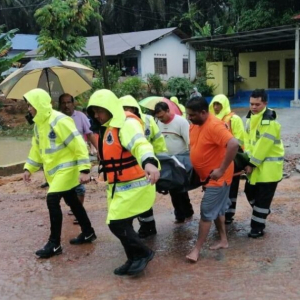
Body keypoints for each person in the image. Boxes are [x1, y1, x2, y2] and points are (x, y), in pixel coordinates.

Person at [87, 89, 160, 276]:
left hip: (135, 184)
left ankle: (143, 253)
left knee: (117, 224)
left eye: (99, 111)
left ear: (110, 108)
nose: (97, 115)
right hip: (118, 187)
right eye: (94, 112)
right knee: (122, 223)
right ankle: (132, 258)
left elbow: (140, 144)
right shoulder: (108, 126)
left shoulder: (127, 124)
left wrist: (150, 162)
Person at [23, 88, 96, 259]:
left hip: (67, 170)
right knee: (72, 200)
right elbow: (36, 149)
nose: (28, 109)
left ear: (38, 104)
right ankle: (88, 232)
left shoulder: (59, 120)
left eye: (30, 105)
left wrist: (85, 169)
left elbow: (78, 144)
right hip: (55, 173)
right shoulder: (39, 125)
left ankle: (54, 244)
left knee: (52, 199)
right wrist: (29, 168)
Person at [185, 96, 239, 262]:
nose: (189, 118)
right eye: (188, 114)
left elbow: (234, 144)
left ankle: (196, 250)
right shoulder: (195, 125)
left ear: (203, 112)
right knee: (217, 210)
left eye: (192, 115)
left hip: (218, 178)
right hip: (207, 177)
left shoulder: (215, 125)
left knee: (207, 211)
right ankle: (223, 240)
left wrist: (221, 169)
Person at [120, 95, 167, 238]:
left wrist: (160, 160)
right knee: (138, 197)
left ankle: (147, 228)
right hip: (134, 165)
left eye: (128, 108)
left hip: (146, 164)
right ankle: (146, 227)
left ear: (134, 108)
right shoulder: (121, 122)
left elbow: (158, 140)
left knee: (143, 197)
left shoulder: (147, 120)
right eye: (123, 109)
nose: (126, 111)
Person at [244, 89, 284, 238]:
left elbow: (263, 147)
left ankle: (257, 228)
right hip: (256, 166)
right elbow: (248, 142)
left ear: (265, 103)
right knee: (249, 192)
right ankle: (263, 211)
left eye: (257, 104)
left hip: (268, 169)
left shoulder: (269, 121)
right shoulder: (250, 119)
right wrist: (246, 160)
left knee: (261, 199)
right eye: (251, 104)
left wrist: (251, 164)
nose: (253, 107)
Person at [59, 93, 98, 224]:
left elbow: (90, 134)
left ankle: (78, 211)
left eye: (68, 102)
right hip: (62, 159)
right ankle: (74, 206)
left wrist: (98, 150)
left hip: (79, 157)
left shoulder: (81, 117)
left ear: (73, 103)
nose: (66, 105)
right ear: (60, 105)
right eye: (63, 103)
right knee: (65, 187)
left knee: (80, 186)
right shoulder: (56, 119)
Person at [154, 102, 194, 223]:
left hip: (180, 160)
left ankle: (185, 212)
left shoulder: (181, 122)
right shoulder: (157, 123)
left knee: (180, 186)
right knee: (172, 188)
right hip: (166, 160)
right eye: (158, 117)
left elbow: (190, 141)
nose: (160, 119)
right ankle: (181, 213)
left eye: (162, 116)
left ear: (168, 111)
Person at [209, 94, 245, 224]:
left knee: (232, 185)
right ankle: (219, 213)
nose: (216, 107)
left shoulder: (233, 119)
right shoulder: (211, 119)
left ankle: (229, 214)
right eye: (214, 104)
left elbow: (240, 139)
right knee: (217, 186)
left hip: (231, 158)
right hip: (215, 160)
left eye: (219, 104)